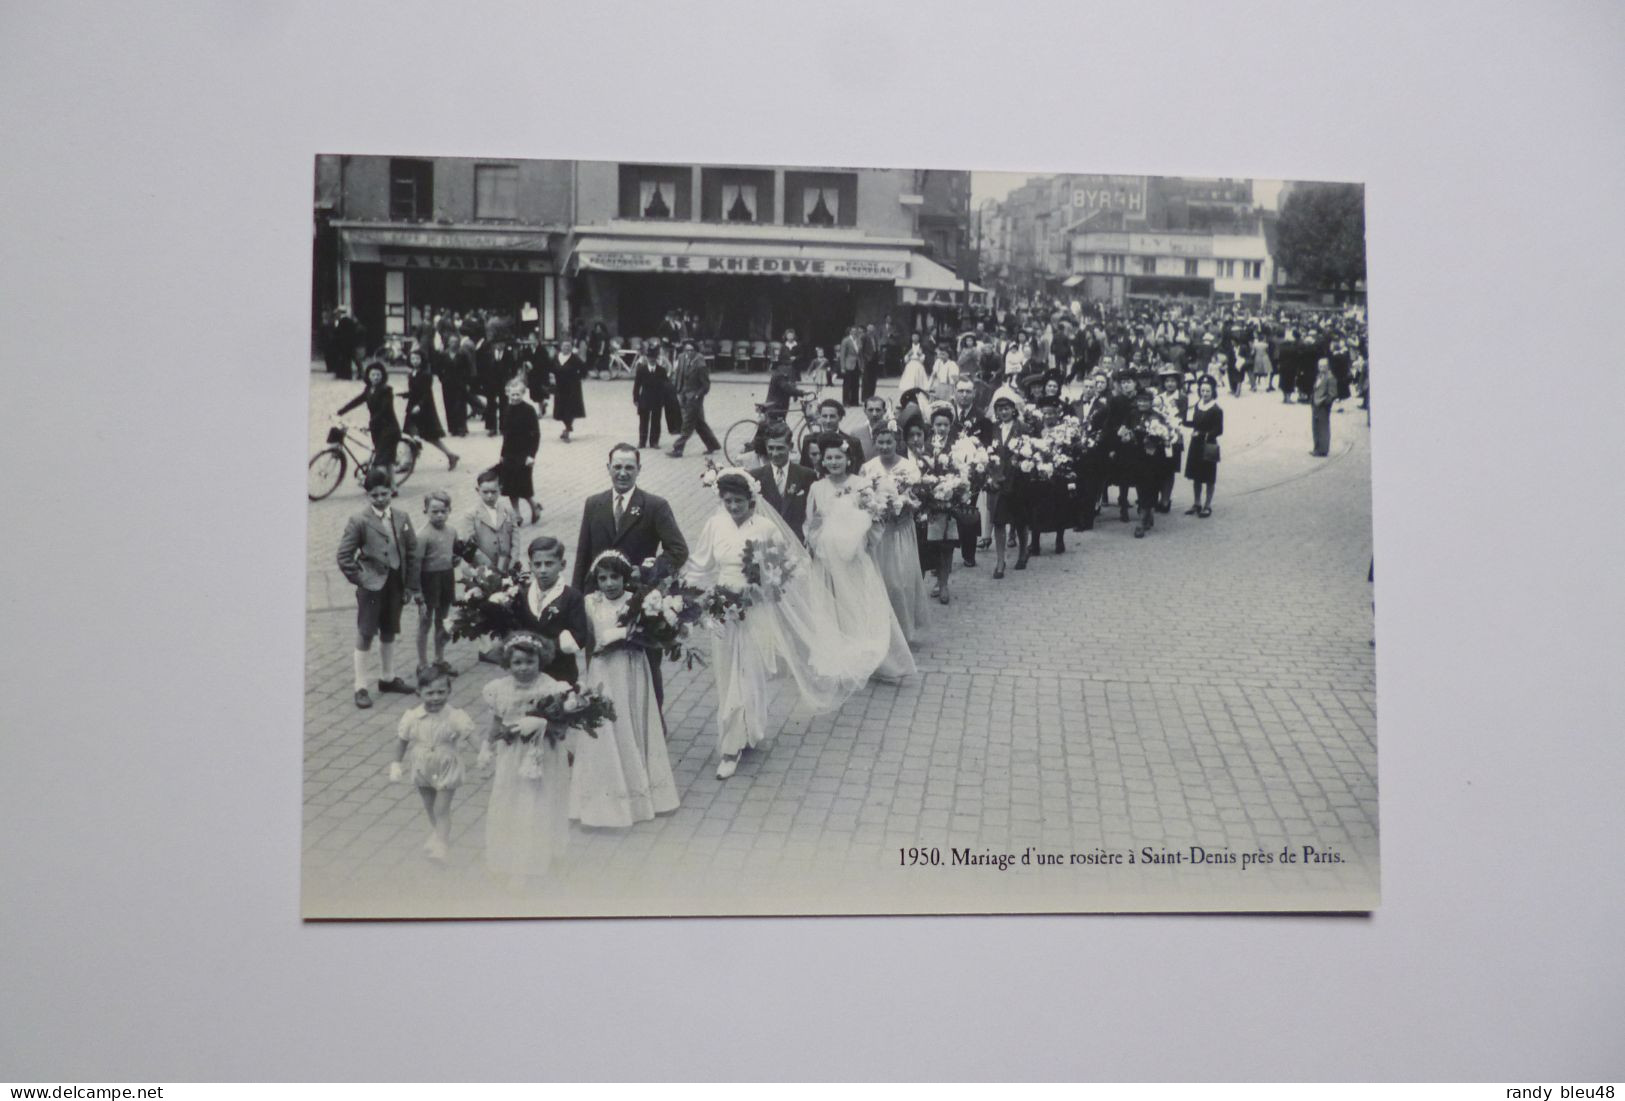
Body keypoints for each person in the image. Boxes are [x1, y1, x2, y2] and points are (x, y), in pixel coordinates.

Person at [682, 467, 877, 778]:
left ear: (752, 500)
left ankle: (734, 745)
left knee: (748, 674)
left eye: (739, 502)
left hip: (756, 611)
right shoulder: (714, 525)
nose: (733, 508)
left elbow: (791, 565)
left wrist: (766, 586)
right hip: (722, 610)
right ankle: (739, 732)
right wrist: (692, 597)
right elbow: (699, 564)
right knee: (725, 675)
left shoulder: (765, 529)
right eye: (728, 501)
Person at [573, 444, 689, 703]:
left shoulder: (654, 506)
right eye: (617, 467)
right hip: (600, 604)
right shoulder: (594, 504)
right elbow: (583, 554)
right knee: (601, 662)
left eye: (629, 467)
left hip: (638, 604)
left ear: (639, 470)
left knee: (644, 666)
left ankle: (652, 726)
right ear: (608, 469)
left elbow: (678, 550)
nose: (622, 473)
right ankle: (604, 727)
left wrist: (646, 570)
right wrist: (579, 600)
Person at [572, 550, 679, 827]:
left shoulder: (638, 601)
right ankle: (604, 794)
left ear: (624, 577)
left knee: (631, 720)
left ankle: (641, 793)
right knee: (606, 724)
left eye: (615, 577)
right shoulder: (590, 603)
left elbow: (651, 636)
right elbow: (585, 636)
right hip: (603, 670)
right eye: (603, 578)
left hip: (631, 669)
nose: (609, 584)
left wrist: (628, 635)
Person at [806, 436, 917, 683]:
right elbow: (811, 523)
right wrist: (819, 542)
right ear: (822, 460)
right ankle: (844, 656)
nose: (833, 462)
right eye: (829, 458)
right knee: (835, 607)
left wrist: (861, 542)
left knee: (861, 605)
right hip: (828, 559)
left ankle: (874, 659)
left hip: (855, 557)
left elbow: (875, 519)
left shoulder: (861, 485)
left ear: (848, 459)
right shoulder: (817, 488)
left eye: (838, 457)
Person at [480, 633, 575, 883]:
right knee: (512, 803)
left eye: (530, 661)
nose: (524, 668)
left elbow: (562, 727)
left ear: (540, 660)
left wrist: (544, 723)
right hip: (512, 756)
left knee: (539, 804)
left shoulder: (550, 687)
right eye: (517, 663)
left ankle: (540, 858)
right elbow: (497, 723)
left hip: (542, 754)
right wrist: (486, 746)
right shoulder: (499, 689)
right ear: (508, 664)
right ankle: (512, 860)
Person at [336, 468, 422, 708]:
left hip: (395, 582)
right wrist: (362, 579)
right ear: (368, 496)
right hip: (372, 586)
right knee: (365, 632)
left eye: (385, 494)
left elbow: (412, 553)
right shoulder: (359, 521)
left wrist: (411, 586)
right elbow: (344, 556)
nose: (381, 499)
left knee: (389, 629)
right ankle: (360, 685)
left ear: (391, 491)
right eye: (375, 495)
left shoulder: (402, 517)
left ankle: (387, 677)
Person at [389, 664, 478, 862]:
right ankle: (438, 834)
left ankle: (442, 845)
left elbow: (469, 734)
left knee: (441, 808)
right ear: (419, 692)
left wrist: (482, 752)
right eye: (430, 693)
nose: (436, 697)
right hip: (423, 767)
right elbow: (402, 740)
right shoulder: (412, 717)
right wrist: (396, 763)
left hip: (446, 766)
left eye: (441, 692)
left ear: (449, 691)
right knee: (430, 807)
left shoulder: (454, 716)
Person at [859, 421, 929, 642]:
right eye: (880, 441)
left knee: (902, 582)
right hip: (879, 533)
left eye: (889, 441)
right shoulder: (868, 468)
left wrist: (905, 504)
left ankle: (905, 630)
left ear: (897, 442)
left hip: (901, 531)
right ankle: (881, 630)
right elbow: (861, 497)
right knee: (880, 582)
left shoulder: (908, 467)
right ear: (875, 442)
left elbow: (918, 499)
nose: (885, 446)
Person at [512, 535, 591, 689]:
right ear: (530, 566)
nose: (542, 570)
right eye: (537, 564)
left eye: (549, 564)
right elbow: (516, 627)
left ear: (562, 565)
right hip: (528, 672)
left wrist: (542, 647)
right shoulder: (522, 594)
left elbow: (579, 637)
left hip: (561, 672)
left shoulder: (572, 597)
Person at [415, 490, 461, 675]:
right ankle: (422, 664)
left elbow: (454, 553)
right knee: (425, 623)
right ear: (425, 511)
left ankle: (439, 659)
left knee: (442, 621)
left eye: (443, 511)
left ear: (449, 510)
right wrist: (417, 592)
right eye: (434, 511)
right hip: (428, 581)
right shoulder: (422, 535)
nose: (440, 515)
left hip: (446, 578)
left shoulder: (452, 531)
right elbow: (416, 565)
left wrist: (455, 560)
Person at [985, 389, 1030, 579]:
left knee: (1020, 519)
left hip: (1018, 481)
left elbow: (1030, 451)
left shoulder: (1022, 428)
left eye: (1007, 408)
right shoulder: (992, 429)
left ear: (1014, 409)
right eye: (1000, 409)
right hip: (998, 482)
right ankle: (1000, 560)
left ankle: (1022, 553)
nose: (1004, 412)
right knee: (999, 521)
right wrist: (991, 475)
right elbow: (986, 454)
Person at [336, 361, 402, 485]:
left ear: (383, 376)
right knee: (387, 460)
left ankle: (379, 486)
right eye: (373, 375)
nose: (376, 377)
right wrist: (341, 411)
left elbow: (384, 410)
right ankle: (393, 487)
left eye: (378, 375)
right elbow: (357, 401)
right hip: (377, 429)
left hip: (389, 429)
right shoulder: (369, 389)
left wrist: (369, 424)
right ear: (368, 376)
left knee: (381, 462)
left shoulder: (386, 390)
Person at [755, 422, 816, 543]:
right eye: (771, 448)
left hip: (798, 541)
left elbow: (812, 514)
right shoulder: (755, 476)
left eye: (780, 448)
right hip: (767, 541)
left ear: (791, 446)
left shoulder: (807, 475)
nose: (775, 453)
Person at [401, 348, 459, 471]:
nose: (415, 361)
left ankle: (450, 455)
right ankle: (408, 461)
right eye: (412, 359)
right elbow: (414, 392)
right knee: (411, 434)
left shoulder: (426, 375)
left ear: (422, 360)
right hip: (413, 407)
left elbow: (426, 393)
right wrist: (404, 394)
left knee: (430, 436)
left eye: (417, 359)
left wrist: (419, 406)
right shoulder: (412, 374)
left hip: (424, 409)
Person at [497, 377, 541, 525]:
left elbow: (536, 435)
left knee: (524, 485)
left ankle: (534, 507)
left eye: (518, 394)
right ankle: (517, 514)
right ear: (507, 393)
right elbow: (506, 435)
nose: (515, 397)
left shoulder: (529, 410)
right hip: (510, 453)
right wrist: (502, 454)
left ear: (523, 394)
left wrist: (531, 455)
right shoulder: (506, 410)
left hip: (524, 452)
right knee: (510, 486)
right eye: (512, 394)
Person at [667, 339, 721, 457]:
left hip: (694, 398)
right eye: (687, 350)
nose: (689, 352)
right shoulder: (681, 358)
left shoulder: (700, 362)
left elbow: (706, 384)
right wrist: (677, 389)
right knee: (699, 423)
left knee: (687, 423)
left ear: (695, 351)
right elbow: (678, 374)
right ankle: (712, 444)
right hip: (683, 394)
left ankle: (678, 448)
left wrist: (697, 395)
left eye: (691, 350)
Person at [460, 468, 518, 576]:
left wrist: (513, 559)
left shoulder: (508, 511)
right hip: (482, 567)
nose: (490, 496)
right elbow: (469, 543)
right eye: (485, 492)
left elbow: (515, 537)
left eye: (493, 492)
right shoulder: (471, 515)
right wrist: (488, 566)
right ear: (478, 490)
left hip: (506, 564)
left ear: (500, 490)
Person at [1183, 374, 1224, 517]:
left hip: (1208, 445)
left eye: (1207, 391)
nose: (1204, 393)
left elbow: (1219, 430)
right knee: (1196, 476)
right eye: (1202, 390)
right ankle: (1197, 503)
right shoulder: (1196, 406)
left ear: (1213, 391)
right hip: (1195, 445)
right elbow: (1192, 423)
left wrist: (1202, 434)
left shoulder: (1216, 409)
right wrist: (1179, 421)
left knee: (1209, 477)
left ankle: (1207, 505)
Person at [800, 398, 864, 468]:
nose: (828, 421)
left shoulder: (853, 442)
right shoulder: (809, 440)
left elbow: (859, 470)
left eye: (832, 416)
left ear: (840, 418)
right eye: (824, 416)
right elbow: (804, 469)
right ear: (820, 417)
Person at [631, 341, 671, 450]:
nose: (652, 360)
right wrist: (635, 398)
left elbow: (666, 386)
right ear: (647, 358)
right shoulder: (641, 369)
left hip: (657, 399)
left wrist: (665, 399)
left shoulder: (661, 371)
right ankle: (642, 442)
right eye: (650, 357)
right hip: (644, 398)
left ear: (656, 358)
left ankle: (654, 442)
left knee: (656, 421)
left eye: (654, 358)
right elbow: (637, 385)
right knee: (643, 421)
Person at [551, 337, 587, 442]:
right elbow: (551, 368)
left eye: (568, 346)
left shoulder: (574, 358)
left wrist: (578, 378)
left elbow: (584, 369)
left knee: (570, 409)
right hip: (560, 387)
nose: (566, 348)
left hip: (572, 388)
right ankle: (568, 427)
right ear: (561, 347)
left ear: (571, 348)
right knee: (560, 409)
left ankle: (567, 430)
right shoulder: (556, 357)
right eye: (564, 346)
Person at [478, 339, 516, 436]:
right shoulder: (488, 354)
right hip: (491, 383)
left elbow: (514, 368)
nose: (500, 345)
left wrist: (511, 380)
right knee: (491, 405)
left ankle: (504, 427)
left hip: (504, 383)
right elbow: (483, 369)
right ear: (494, 344)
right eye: (498, 343)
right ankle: (491, 428)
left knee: (504, 404)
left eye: (502, 343)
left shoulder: (508, 354)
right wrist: (484, 382)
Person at [850, 395, 890, 460]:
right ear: (865, 411)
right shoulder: (856, 433)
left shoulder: (892, 431)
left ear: (884, 411)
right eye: (870, 410)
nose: (874, 414)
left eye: (878, 410)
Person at [1310, 357, 1336, 456]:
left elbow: (1332, 394)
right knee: (1315, 427)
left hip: (1322, 405)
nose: (1321, 368)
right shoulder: (1319, 376)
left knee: (1323, 428)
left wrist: (1325, 404)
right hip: (1315, 404)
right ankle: (1316, 448)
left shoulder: (1330, 377)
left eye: (1323, 366)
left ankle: (1323, 450)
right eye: (1320, 366)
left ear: (1327, 366)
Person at [837, 326, 863, 407]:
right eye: (853, 331)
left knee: (856, 384)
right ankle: (846, 401)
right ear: (850, 332)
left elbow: (860, 354)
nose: (855, 332)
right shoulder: (846, 340)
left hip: (857, 364)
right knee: (847, 384)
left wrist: (862, 365)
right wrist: (842, 367)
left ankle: (855, 401)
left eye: (856, 331)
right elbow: (842, 354)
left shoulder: (858, 340)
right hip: (848, 364)